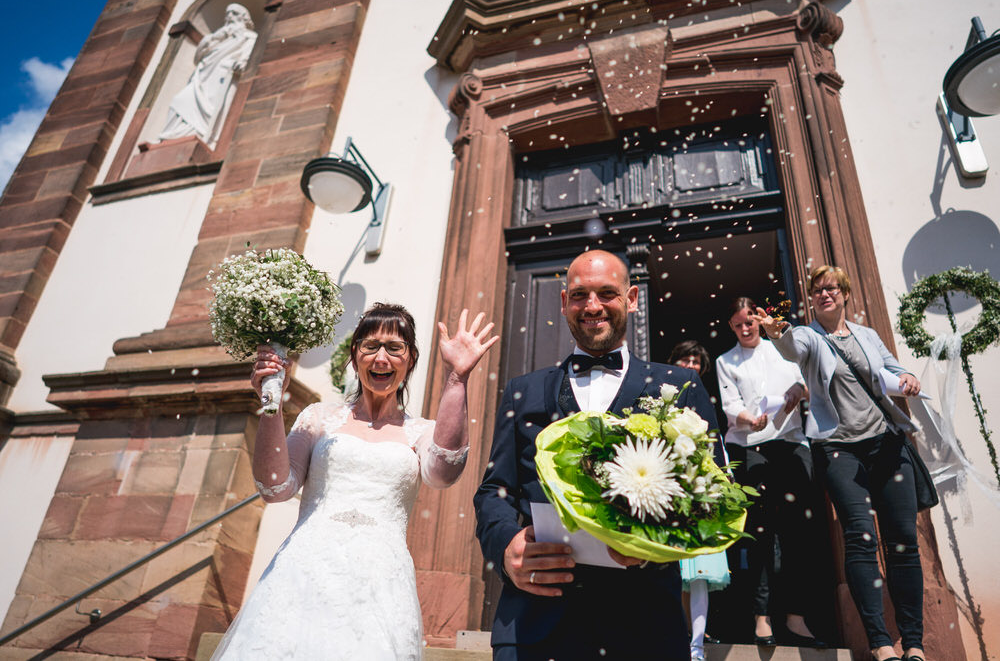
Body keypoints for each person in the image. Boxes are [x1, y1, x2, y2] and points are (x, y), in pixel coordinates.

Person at [211, 303, 498, 660]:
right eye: (371, 345)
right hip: (303, 576)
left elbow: (444, 473)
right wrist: (270, 400)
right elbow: (275, 487)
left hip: (380, 586)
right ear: (354, 355)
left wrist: (457, 379)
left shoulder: (421, 432)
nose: (381, 358)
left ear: (410, 361)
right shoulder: (318, 417)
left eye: (395, 348)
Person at [474, 250, 720, 660]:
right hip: (536, 621)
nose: (592, 306)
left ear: (632, 298)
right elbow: (494, 490)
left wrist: (654, 542)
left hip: (645, 626)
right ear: (563, 302)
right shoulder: (524, 389)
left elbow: (711, 495)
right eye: (579, 295)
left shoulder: (681, 386)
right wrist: (506, 547)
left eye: (607, 293)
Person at [756, 266, 925, 661]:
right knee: (861, 539)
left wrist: (909, 378)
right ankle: (881, 644)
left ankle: (914, 644)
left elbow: (892, 367)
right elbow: (792, 347)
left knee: (903, 542)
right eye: (817, 290)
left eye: (831, 288)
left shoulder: (866, 334)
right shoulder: (810, 337)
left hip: (885, 444)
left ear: (845, 293)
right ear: (812, 299)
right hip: (839, 449)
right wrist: (777, 331)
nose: (824, 294)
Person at [715, 297, 825, 648]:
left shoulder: (782, 348)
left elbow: (809, 381)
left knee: (798, 531)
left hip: (792, 442)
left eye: (749, 321)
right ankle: (761, 616)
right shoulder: (725, 361)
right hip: (751, 446)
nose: (746, 328)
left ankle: (796, 615)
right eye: (738, 324)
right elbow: (731, 406)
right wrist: (750, 418)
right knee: (759, 531)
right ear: (731, 327)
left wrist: (798, 390)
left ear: (760, 319)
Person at [670, 343, 730, 661]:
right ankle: (677, 640)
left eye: (696, 361)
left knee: (700, 572)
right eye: (685, 359)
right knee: (675, 571)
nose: (691, 365)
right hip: (670, 489)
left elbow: (717, 441)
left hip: (702, 489)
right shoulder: (662, 396)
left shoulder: (705, 399)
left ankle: (695, 648)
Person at [160, 3, 258, 144]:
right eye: (228, 13)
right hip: (201, 78)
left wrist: (239, 64)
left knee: (213, 111)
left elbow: (246, 59)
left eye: (235, 13)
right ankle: (171, 137)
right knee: (179, 100)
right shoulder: (216, 37)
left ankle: (204, 137)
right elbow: (198, 57)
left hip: (222, 77)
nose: (230, 16)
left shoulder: (249, 37)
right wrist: (216, 37)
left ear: (244, 18)